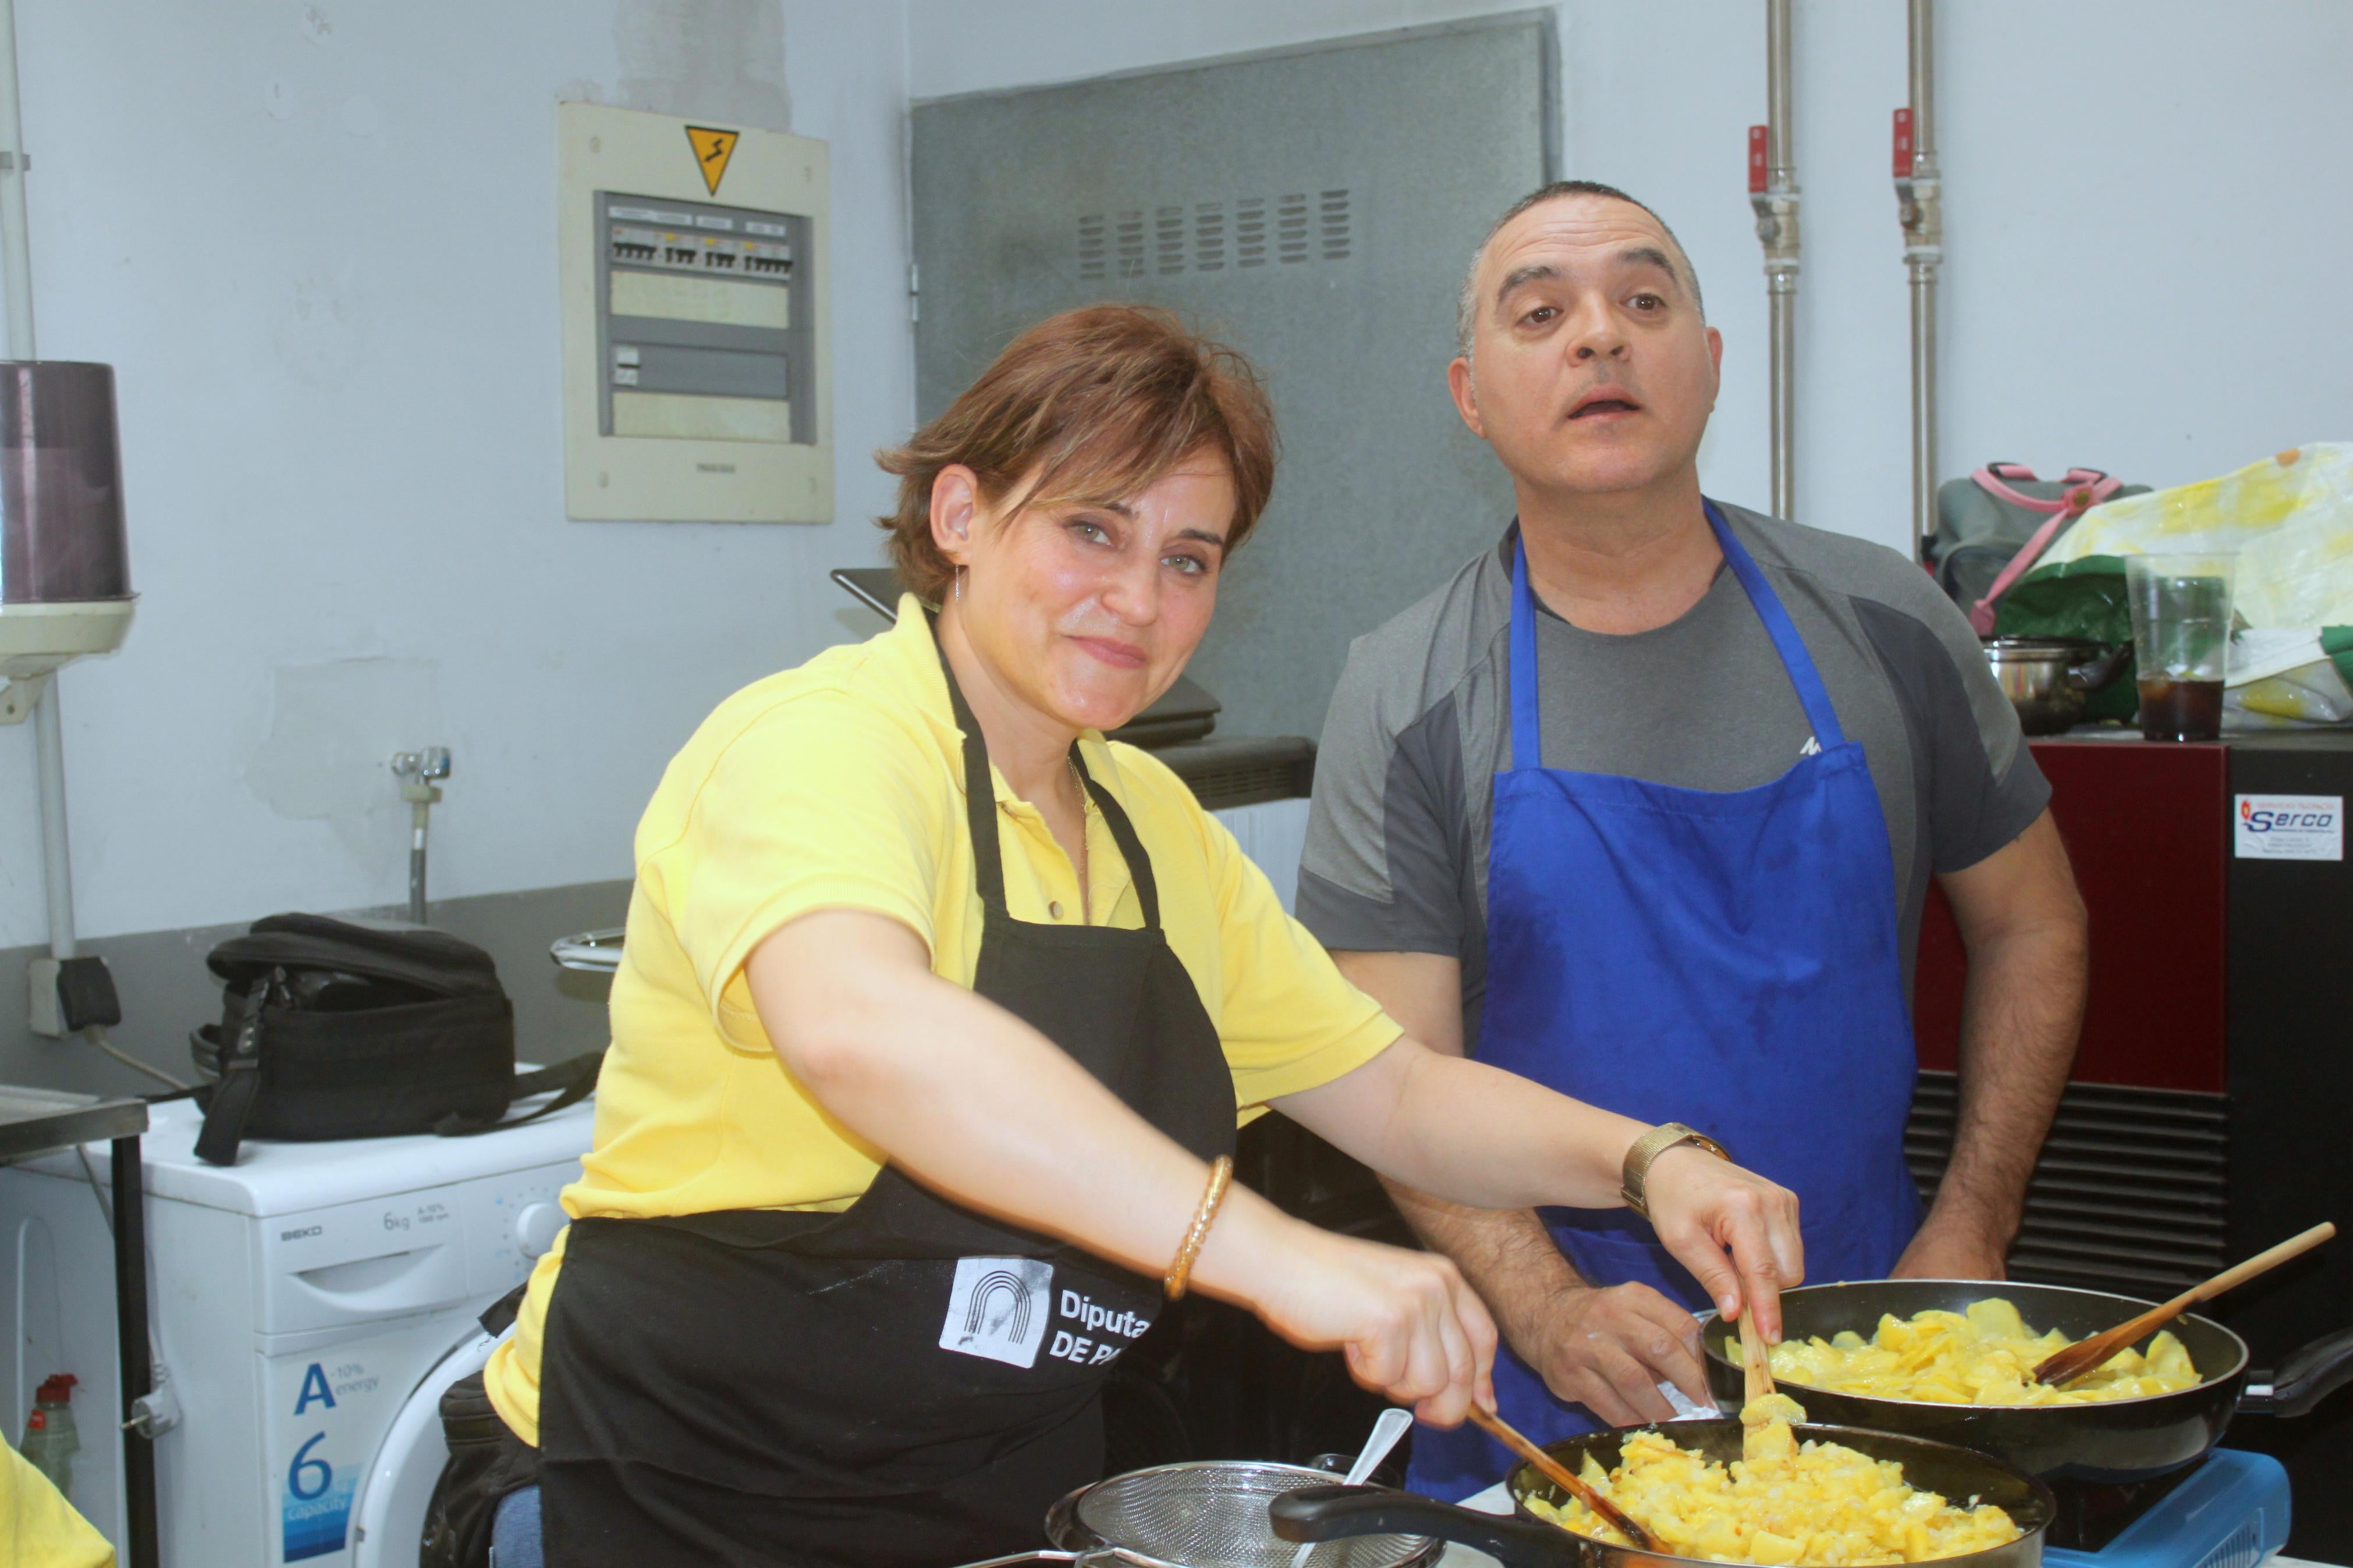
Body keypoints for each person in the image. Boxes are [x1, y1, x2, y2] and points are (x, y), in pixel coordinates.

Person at [462, 305, 1805, 1568]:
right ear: (962, 514)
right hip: (693, 1488)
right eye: (1092, 530)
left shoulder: (1151, 824)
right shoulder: (825, 744)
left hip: (995, 1486)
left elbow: (1393, 1090)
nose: (1139, 597)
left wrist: (1645, 1158)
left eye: (1188, 557)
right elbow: (862, 1031)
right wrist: (1280, 1255)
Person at [1296, 183, 2091, 1499]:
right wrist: (1549, 1310)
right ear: (1470, 394)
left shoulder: (1886, 622)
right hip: (1561, 1396)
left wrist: (1969, 1228)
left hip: (1876, 1350)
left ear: (1712, 366)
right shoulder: (1408, 688)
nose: (1599, 337)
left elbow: (2035, 923)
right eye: (1542, 312)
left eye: (1644, 301)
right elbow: (1391, 1075)